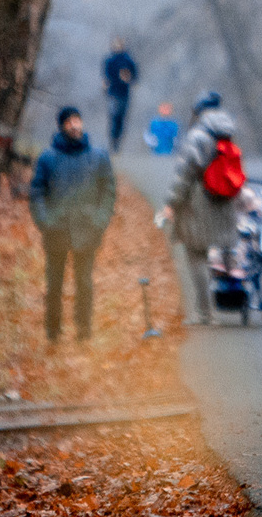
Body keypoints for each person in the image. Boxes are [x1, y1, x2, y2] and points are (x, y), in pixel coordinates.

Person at [27, 106, 117, 342]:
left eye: (77, 120)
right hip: (56, 231)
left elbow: (108, 191)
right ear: (62, 126)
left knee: (84, 284)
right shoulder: (47, 158)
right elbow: (36, 193)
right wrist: (44, 221)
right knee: (54, 285)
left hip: (87, 230)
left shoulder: (98, 156)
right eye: (69, 121)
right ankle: (53, 334)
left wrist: (100, 220)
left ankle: (84, 333)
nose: (75, 125)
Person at [158, 91, 245, 326]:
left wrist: (171, 203)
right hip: (223, 202)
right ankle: (233, 298)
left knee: (196, 255)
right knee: (222, 253)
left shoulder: (197, 136)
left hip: (198, 203)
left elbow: (184, 175)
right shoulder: (227, 133)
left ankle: (205, 313)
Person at [101, 39, 140, 149]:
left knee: (121, 117)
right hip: (113, 93)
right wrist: (105, 84)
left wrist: (129, 78)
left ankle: (117, 140)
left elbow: (135, 77)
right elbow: (105, 76)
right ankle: (113, 139)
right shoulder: (109, 60)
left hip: (124, 93)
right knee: (114, 115)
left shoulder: (128, 60)